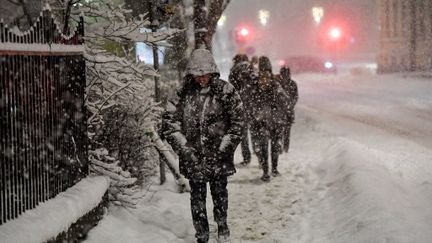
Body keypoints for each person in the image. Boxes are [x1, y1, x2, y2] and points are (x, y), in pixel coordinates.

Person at [162, 48, 244, 243]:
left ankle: (222, 225)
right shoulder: (182, 93)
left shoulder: (226, 91)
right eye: (197, 75)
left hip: (219, 157)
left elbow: (238, 123)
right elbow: (169, 124)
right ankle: (202, 234)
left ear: (212, 72)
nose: (201, 79)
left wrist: (224, 148)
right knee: (197, 198)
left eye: (205, 74)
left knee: (220, 195)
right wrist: (185, 150)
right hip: (193, 157)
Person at [249, 56, 291, 182]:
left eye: (267, 74)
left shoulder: (276, 86)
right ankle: (265, 171)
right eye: (262, 75)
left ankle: (274, 168)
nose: (264, 78)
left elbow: (285, 101)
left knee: (275, 147)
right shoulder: (255, 87)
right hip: (261, 122)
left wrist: (280, 112)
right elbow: (251, 104)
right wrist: (256, 115)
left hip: (275, 122)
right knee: (263, 147)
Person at [228, 54, 253, 166]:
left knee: (243, 135)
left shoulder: (234, 71)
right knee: (257, 133)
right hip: (254, 106)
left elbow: (231, 90)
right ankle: (261, 155)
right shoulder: (252, 69)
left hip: (241, 107)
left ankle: (247, 157)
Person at [278, 66, 298, 153]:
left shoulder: (279, 83)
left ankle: (284, 148)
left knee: (284, 131)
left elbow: (295, 97)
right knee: (284, 131)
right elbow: (295, 97)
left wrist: (288, 106)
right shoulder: (292, 83)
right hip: (284, 111)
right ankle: (283, 148)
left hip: (284, 112)